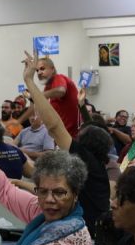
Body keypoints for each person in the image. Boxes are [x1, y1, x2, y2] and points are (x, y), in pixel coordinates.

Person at [24, 53, 110, 235]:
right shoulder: (95, 167)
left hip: (83, 238)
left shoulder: (88, 162)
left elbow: (54, 126)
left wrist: (29, 81)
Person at [29, 54, 81, 138]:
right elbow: (40, 105)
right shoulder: (48, 87)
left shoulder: (58, 78)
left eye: (42, 68)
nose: (39, 73)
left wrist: (37, 95)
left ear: (52, 69)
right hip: (60, 134)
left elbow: (60, 91)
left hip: (73, 136)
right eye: (37, 70)